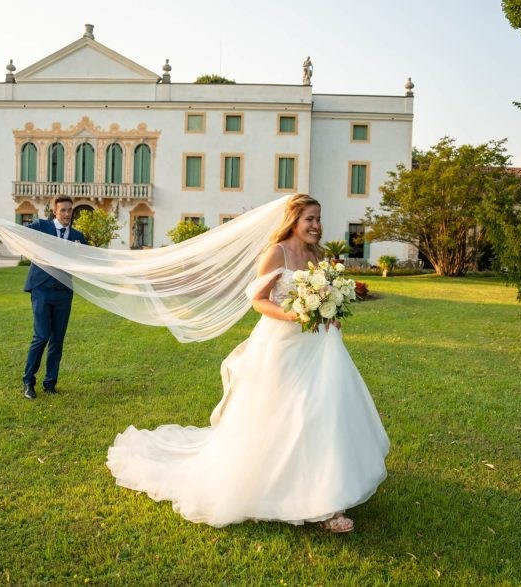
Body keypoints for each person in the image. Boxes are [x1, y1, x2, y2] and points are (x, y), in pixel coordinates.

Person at [106, 194, 390, 533]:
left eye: (318, 218)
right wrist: (296, 313)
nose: (316, 225)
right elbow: (258, 301)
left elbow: (325, 294)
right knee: (289, 414)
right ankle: (280, 485)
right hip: (282, 344)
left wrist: (329, 312)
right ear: (294, 220)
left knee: (325, 411)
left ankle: (329, 502)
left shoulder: (318, 255)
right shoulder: (277, 253)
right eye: (309, 219)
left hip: (320, 346)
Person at [0, 196, 86, 400]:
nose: (67, 214)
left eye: (70, 210)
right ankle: (28, 381)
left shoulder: (77, 236)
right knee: (42, 336)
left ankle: (50, 383)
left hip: (64, 292)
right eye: (63, 210)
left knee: (58, 340)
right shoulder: (41, 227)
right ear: (55, 211)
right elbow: (16, 232)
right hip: (42, 289)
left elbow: (87, 261)